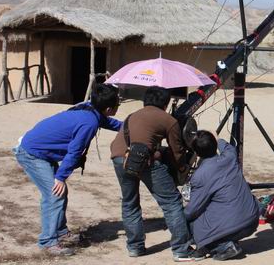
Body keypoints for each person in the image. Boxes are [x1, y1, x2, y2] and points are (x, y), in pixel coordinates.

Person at [14, 84, 123, 256]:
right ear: (109, 108)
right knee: (55, 194)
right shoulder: (89, 123)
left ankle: (60, 231)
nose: (118, 106)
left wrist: (131, 127)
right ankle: (48, 242)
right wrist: (61, 177)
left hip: (41, 151)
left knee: (58, 194)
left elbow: (110, 123)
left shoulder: (90, 110)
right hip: (33, 153)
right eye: (118, 104)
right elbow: (74, 152)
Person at [110, 86, 202, 262]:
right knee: (172, 202)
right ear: (166, 103)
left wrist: (157, 153)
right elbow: (177, 152)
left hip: (119, 158)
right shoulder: (168, 120)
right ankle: (181, 250)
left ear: (145, 100)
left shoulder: (132, 116)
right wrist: (182, 169)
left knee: (130, 202)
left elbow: (135, 140)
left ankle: (135, 247)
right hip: (145, 162)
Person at [184, 131, 260, 261]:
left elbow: (193, 210)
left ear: (196, 153)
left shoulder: (200, 175)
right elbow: (227, 147)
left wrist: (178, 217)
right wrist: (217, 137)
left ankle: (222, 246)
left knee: (192, 223)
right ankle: (224, 241)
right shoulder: (230, 157)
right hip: (252, 219)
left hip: (235, 224)